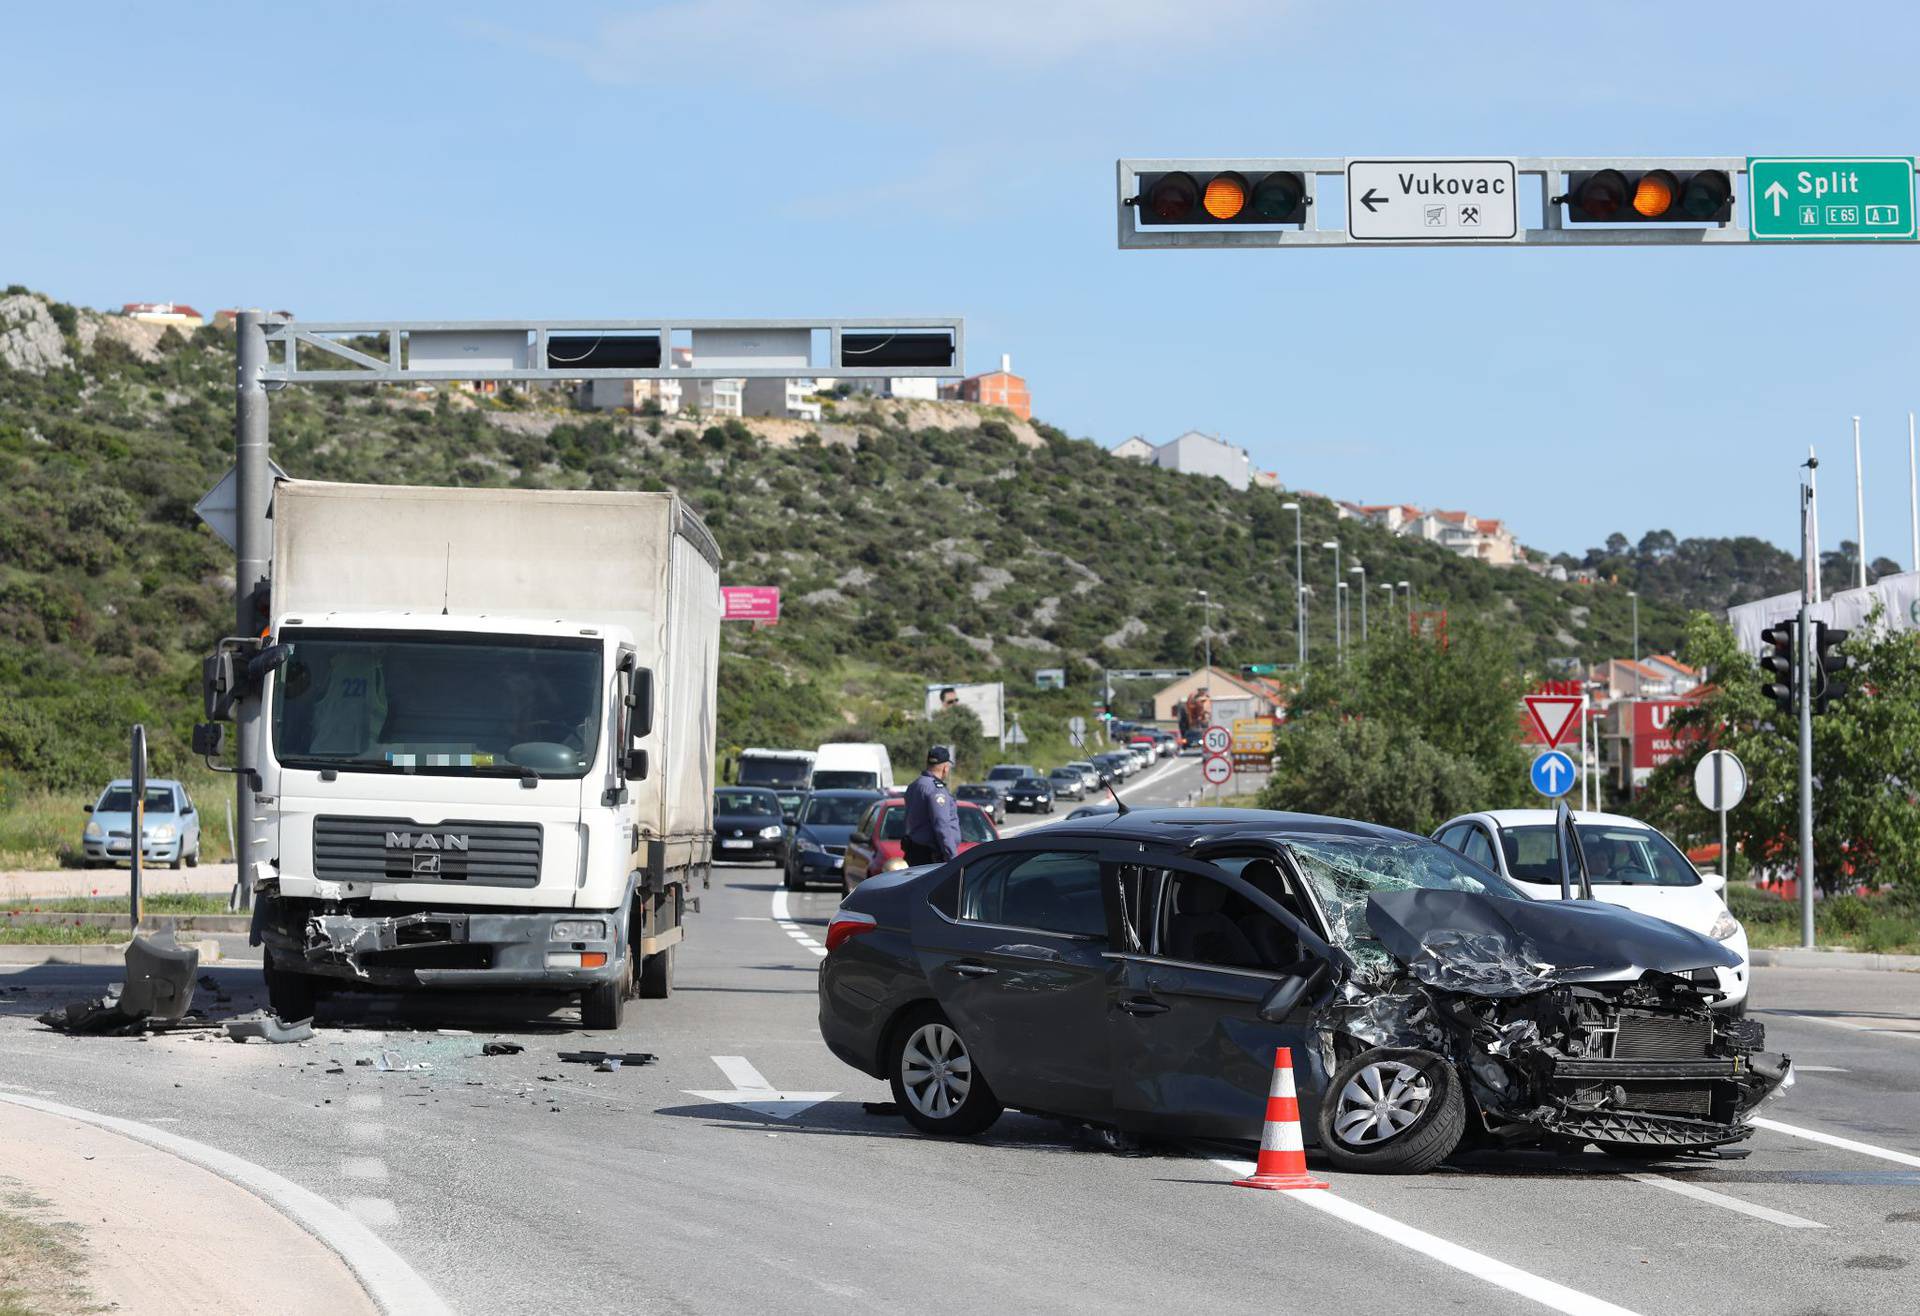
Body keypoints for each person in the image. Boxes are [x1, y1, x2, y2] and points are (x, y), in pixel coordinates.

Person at [902, 745, 963, 866]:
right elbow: (942, 825)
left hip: (915, 850)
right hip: (931, 856)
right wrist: (952, 858)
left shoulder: (914, 785)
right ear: (945, 767)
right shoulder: (936, 789)